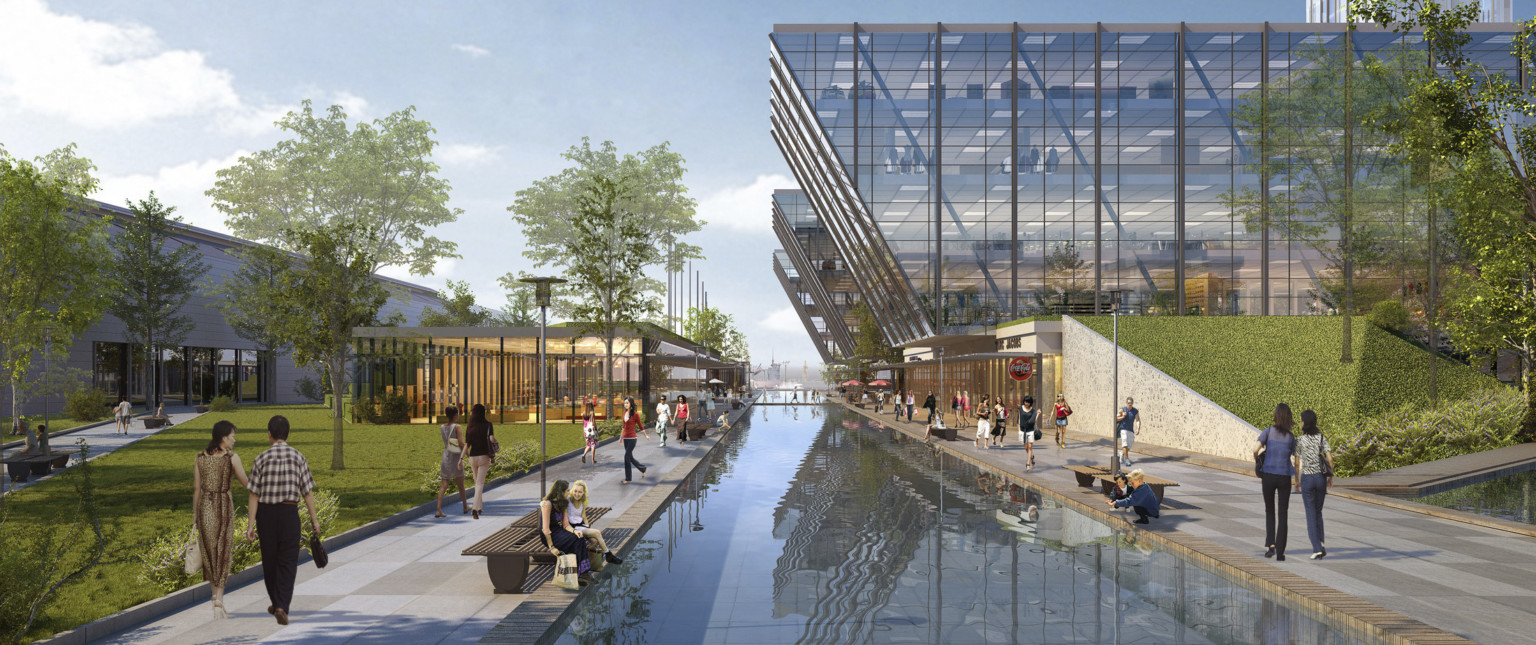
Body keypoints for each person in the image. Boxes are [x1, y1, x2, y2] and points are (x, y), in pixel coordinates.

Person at [244, 415, 320, 626]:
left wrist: (250, 525)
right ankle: (281, 606)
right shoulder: (298, 457)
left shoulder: (261, 459)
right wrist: (314, 520)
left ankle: (276, 601)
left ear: (269, 434)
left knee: (269, 560)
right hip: (289, 513)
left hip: (266, 515)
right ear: (287, 434)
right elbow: (307, 492)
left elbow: (254, 495)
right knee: (287, 561)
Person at [193, 420, 250, 619]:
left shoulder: (200, 457)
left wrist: (195, 517)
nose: (234, 440)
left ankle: (214, 595)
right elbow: (246, 483)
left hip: (204, 507)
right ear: (224, 437)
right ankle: (219, 598)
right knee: (223, 550)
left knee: (209, 552)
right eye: (233, 436)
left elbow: (197, 489)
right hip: (223, 507)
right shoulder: (232, 458)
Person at [1255, 403, 1298, 561]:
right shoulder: (1291, 437)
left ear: (1276, 416)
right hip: (1284, 477)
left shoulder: (1268, 432)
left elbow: (1255, 449)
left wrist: (1257, 461)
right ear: (1289, 418)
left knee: (1269, 510)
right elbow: (1297, 457)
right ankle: (1281, 552)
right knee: (1283, 513)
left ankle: (1270, 546)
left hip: (1268, 476)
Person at [1292, 409, 1335, 559]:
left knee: (1310, 513)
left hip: (1308, 479)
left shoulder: (1299, 440)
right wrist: (1330, 477)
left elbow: (1297, 464)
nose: (1300, 422)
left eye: (1301, 420)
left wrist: (1297, 482)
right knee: (1318, 511)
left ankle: (1316, 548)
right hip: (1320, 479)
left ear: (1305, 422)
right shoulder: (1322, 438)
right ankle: (1321, 542)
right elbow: (1330, 459)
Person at [540, 479, 595, 587]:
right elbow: (545, 529)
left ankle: (582, 573)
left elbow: (565, 524)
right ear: (560, 491)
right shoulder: (547, 504)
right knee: (575, 541)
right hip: (548, 536)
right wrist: (552, 547)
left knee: (579, 537)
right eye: (567, 490)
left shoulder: (564, 503)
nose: (569, 493)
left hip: (558, 530)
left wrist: (575, 531)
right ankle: (582, 573)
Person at [567, 480, 621, 565]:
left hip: (581, 526)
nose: (577, 494)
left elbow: (584, 516)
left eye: (580, 492)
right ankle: (608, 555)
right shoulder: (568, 500)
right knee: (597, 532)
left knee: (595, 541)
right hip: (572, 527)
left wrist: (587, 528)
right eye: (575, 491)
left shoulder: (582, 502)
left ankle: (586, 558)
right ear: (572, 491)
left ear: (583, 493)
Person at [465, 403, 496, 520]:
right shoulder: (488, 425)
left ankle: (479, 508)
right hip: (484, 457)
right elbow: (491, 439)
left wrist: (462, 457)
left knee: (477, 483)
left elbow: (467, 444)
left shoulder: (470, 426)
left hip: (472, 457)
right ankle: (474, 508)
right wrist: (494, 442)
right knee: (480, 483)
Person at [435, 406, 468, 518]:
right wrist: (468, 454)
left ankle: (438, 509)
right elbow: (461, 443)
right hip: (456, 458)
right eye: (457, 414)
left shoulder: (442, 427)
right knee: (461, 485)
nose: (458, 416)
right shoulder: (457, 427)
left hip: (446, 456)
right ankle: (465, 506)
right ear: (455, 415)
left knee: (444, 485)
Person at [620, 397, 648, 484]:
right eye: (625, 403)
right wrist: (621, 437)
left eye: (627, 403)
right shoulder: (624, 413)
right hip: (625, 438)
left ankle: (628, 478)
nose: (625, 404)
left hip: (632, 439)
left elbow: (640, 426)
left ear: (631, 404)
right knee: (630, 457)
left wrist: (646, 436)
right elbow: (623, 426)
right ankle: (642, 468)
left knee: (626, 457)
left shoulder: (635, 414)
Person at [1116, 397, 1142, 466]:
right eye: (1128, 403)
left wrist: (1138, 429)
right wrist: (1123, 417)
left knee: (1129, 446)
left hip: (1130, 430)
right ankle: (1127, 460)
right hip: (1123, 429)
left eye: (1131, 403)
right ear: (1126, 403)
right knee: (1125, 444)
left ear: (1132, 403)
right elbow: (1117, 418)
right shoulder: (1122, 410)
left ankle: (1122, 453)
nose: (1130, 404)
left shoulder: (1135, 411)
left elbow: (1138, 420)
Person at [1018, 396, 1039, 470]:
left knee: (1030, 447)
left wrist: (1038, 414)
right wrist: (1018, 429)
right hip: (1022, 430)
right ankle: (1032, 457)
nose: (1027, 403)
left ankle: (1028, 463)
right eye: (1026, 402)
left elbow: (1034, 421)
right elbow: (1019, 418)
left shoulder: (1033, 410)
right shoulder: (1020, 408)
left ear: (1031, 403)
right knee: (1026, 447)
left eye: (1028, 402)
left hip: (1030, 430)